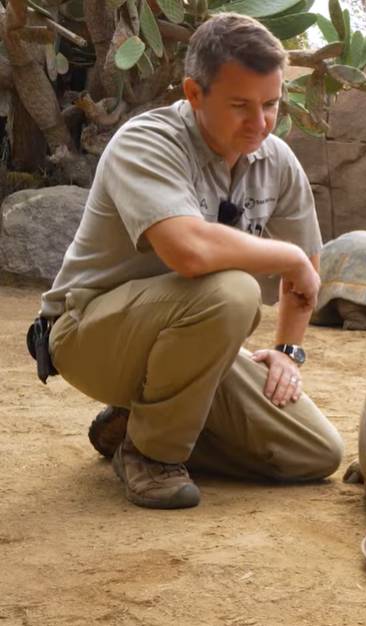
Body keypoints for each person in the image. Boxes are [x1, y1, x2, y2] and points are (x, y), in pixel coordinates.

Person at [33, 13, 343, 510]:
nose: (260, 123)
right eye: (240, 105)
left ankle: (141, 420)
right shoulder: (146, 140)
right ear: (194, 93)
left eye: (271, 104)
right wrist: (286, 258)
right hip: (88, 333)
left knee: (313, 453)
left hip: (194, 342)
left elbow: (306, 266)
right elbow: (189, 251)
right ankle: (150, 453)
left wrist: (288, 350)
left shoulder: (277, 160)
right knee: (234, 291)